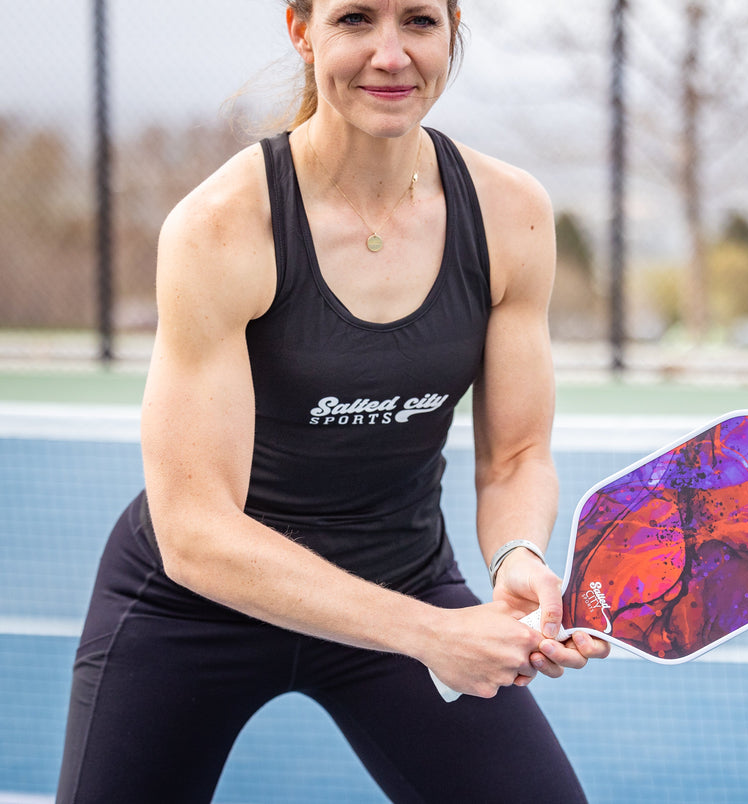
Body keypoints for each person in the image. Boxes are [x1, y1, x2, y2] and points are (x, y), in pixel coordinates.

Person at [56, 2, 609, 801]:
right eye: (355, 19)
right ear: (301, 29)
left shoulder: (509, 213)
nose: (391, 55)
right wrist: (432, 636)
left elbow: (518, 454)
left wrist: (516, 556)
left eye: (419, 20)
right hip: (199, 605)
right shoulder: (221, 227)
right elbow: (195, 532)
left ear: (452, 31)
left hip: (405, 576)